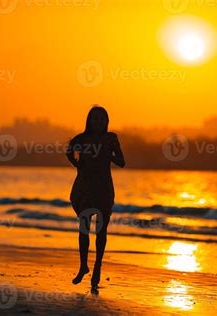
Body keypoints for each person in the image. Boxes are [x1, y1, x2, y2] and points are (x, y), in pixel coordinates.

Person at [66, 106, 125, 290]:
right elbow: (69, 151)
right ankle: (83, 266)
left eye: (102, 119)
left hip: (104, 188)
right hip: (85, 188)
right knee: (84, 227)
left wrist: (110, 155)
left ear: (107, 122)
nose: (98, 122)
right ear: (89, 121)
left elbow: (122, 162)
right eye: (95, 119)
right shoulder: (82, 139)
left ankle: (98, 265)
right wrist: (78, 165)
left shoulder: (111, 139)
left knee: (101, 230)